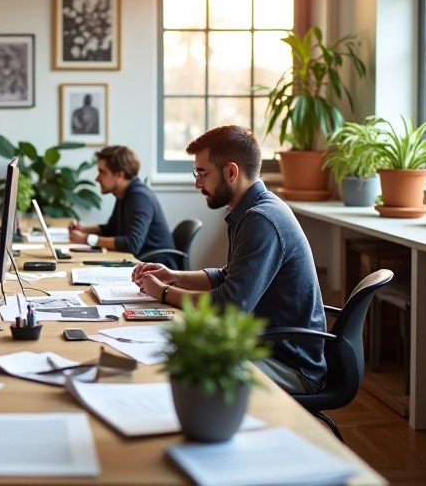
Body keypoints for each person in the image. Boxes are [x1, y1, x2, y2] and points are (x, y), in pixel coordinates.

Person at [132, 125, 327, 394]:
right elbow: (228, 276)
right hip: (262, 346)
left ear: (231, 172)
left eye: (202, 173)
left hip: (288, 365)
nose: (197, 183)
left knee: (181, 361)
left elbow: (229, 306)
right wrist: (174, 276)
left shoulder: (262, 220)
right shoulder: (251, 211)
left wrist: (163, 292)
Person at [68, 145, 177, 268]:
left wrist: (88, 239)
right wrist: (83, 229)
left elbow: (132, 243)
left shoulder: (139, 197)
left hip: (157, 269)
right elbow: (112, 228)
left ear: (119, 174)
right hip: (138, 263)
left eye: (102, 172)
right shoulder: (124, 193)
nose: (97, 178)